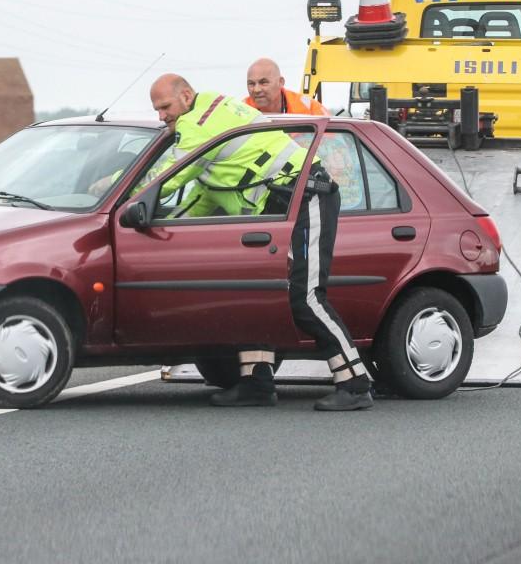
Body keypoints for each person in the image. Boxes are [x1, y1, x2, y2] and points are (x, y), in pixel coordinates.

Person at [146, 73, 373, 411]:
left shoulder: (196, 124)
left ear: (186, 95)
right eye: (156, 110)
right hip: (278, 208)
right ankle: (256, 383)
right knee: (259, 296)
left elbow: (165, 176)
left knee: (306, 298)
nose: (161, 116)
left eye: (164, 107)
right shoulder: (213, 114)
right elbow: (201, 199)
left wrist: (121, 193)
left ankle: (355, 384)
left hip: (305, 194)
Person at [244, 58, 328, 116]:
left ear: (281, 82)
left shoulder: (308, 107)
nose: (256, 89)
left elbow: (332, 139)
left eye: (264, 82)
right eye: (251, 84)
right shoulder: (241, 110)